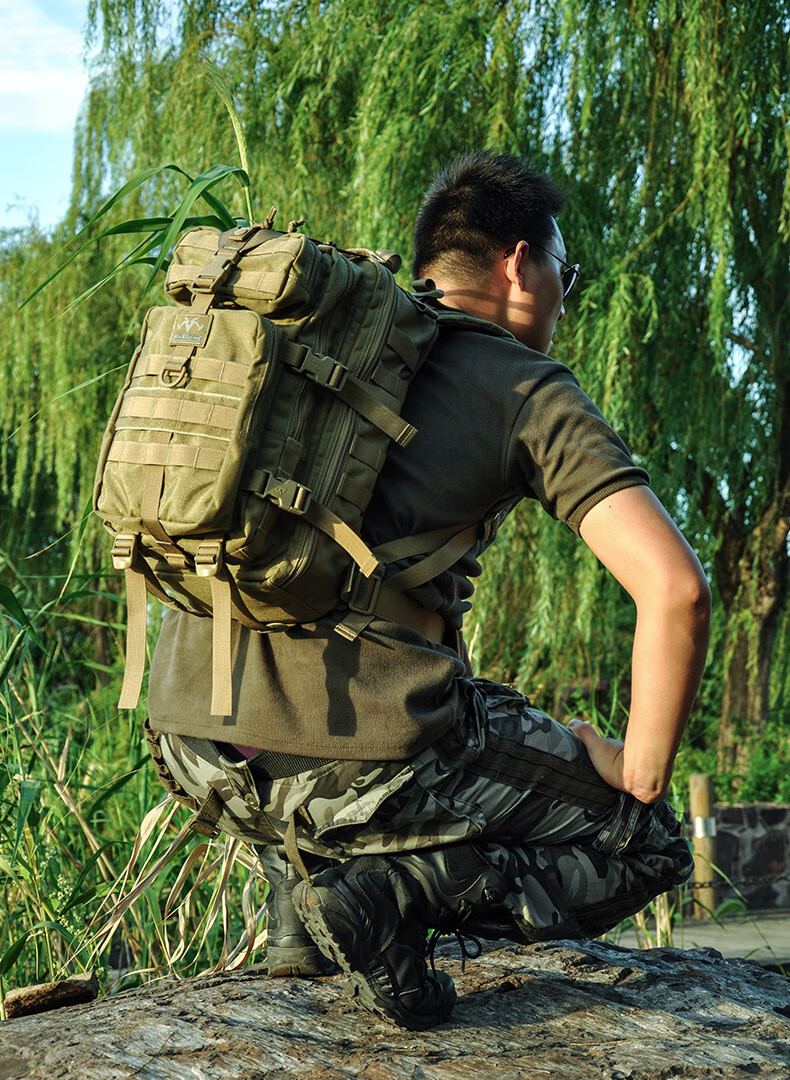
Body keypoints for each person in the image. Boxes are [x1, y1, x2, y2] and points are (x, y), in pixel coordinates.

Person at [145, 151, 711, 1030]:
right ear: (520, 265)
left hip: (190, 740)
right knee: (652, 843)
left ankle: (302, 903)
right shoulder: (522, 387)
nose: (565, 298)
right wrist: (637, 766)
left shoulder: (318, 341)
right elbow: (676, 591)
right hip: (347, 758)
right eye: (566, 275)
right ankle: (391, 896)